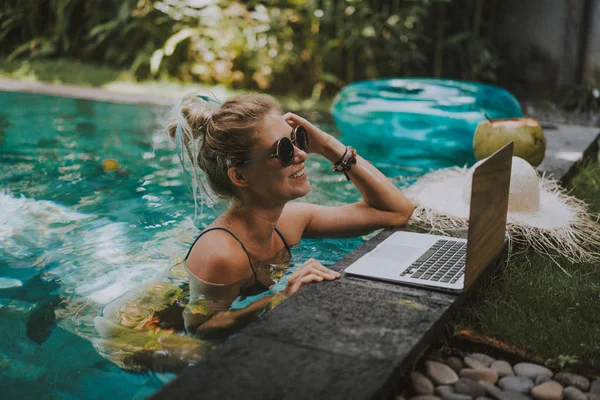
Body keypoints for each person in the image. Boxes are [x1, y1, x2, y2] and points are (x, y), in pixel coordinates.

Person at [166, 93, 414, 339]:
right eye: (284, 150)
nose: (302, 155)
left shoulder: (290, 221)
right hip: (154, 331)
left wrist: (328, 145)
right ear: (240, 177)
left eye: (298, 140)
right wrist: (280, 300)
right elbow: (198, 328)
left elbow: (395, 211)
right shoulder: (221, 254)